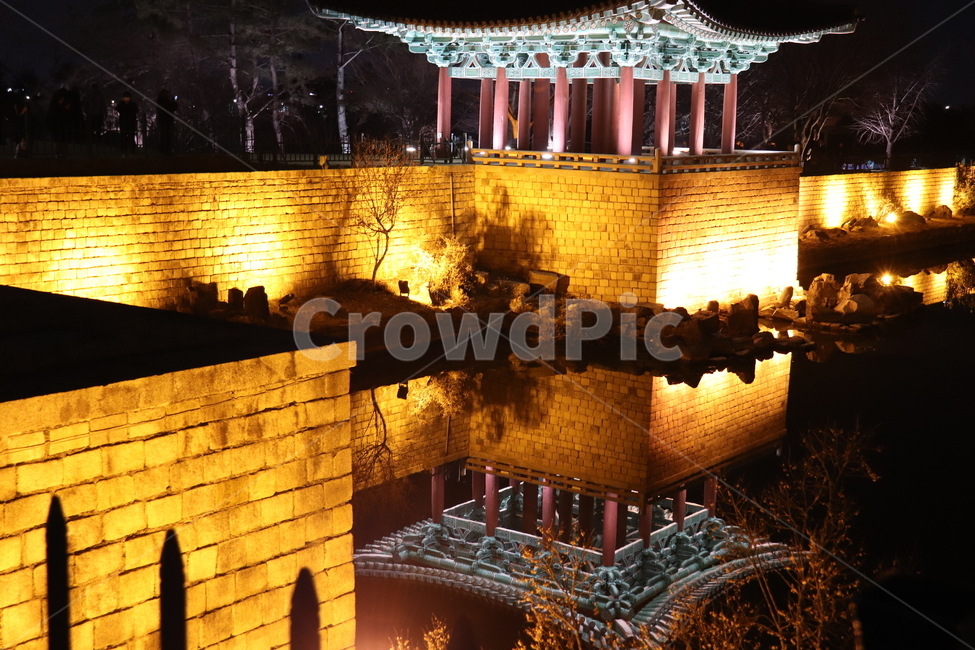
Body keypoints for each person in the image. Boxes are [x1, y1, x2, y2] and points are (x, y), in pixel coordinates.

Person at [84, 83, 106, 152]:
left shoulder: (88, 95)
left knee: (90, 131)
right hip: (99, 115)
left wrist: (87, 112)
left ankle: (90, 145)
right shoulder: (100, 95)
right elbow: (103, 105)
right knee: (98, 130)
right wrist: (105, 114)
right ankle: (96, 144)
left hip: (91, 115)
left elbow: (85, 105)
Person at [155, 89, 178, 155]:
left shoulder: (161, 100)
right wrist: (174, 102)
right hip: (166, 121)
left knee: (165, 136)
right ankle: (165, 150)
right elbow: (172, 108)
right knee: (166, 136)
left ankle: (164, 150)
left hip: (164, 121)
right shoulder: (164, 101)